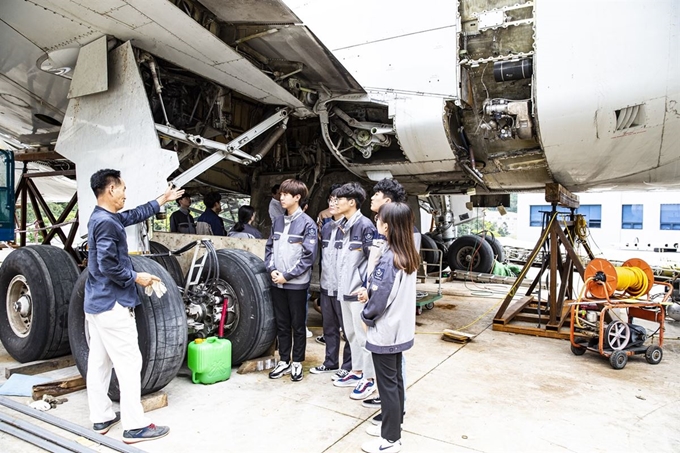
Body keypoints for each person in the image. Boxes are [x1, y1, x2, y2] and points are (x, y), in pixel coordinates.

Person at [85, 169, 183, 444]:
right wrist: (136, 277)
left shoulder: (101, 217)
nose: (126, 194)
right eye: (123, 188)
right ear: (111, 189)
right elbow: (107, 264)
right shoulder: (106, 223)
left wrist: (161, 200)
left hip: (96, 302)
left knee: (99, 362)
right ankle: (134, 426)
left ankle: (102, 417)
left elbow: (131, 216)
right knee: (129, 363)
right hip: (112, 304)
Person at [357, 202, 419, 453]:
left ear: (388, 226)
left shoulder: (390, 258)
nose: (377, 222)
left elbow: (381, 297)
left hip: (386, 331)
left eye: (380, 219)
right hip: (400, 328)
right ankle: (394, 425)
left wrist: (366, 314)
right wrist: (369, 293)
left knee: (387, 385)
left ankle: (391, 439)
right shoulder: (407, 254)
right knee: (396, 381)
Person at [364, 178, 420, 420]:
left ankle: (396, 409)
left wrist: (367, 312)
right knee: (391, 372)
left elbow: (388, 283)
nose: (372, 198)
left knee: (395, 369)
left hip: (389, 320)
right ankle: (389, 402)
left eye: (376, 194)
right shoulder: (388, 235)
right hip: (390, 314)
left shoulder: (399, 244)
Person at [265, 179, 317, 382]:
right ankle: (284, 360)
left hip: (296, 284)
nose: (281, 197)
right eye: (281, 193)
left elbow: (308, 256)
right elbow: (269, 248)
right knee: (282, 323)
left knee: (298, 324)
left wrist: (287, 275)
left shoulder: (307, 224)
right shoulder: (277, 221)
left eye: (286, 194)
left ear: (297, 197)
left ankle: (297, 362)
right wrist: (272, 270)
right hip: (277, 281)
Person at [331, 182, 377, 400]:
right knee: (350, 334)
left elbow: (373, 260)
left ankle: (369, 378)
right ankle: (356, 371)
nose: (335, 202)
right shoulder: (343, 225)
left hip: (358, 291)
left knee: (363, 336)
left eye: (339, 199)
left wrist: (365, 287)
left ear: (352, 202)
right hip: (344, 290)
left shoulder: (365, 226)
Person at [309, 190, 352, 378]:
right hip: (327, 286)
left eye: (336, 200)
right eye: (331, 200)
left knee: (348, 330)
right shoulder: (326, 228)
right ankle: (330, 362)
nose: (332, 204)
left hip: (345, 287)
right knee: (330, 328)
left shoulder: (354, 227)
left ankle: (349, 366)